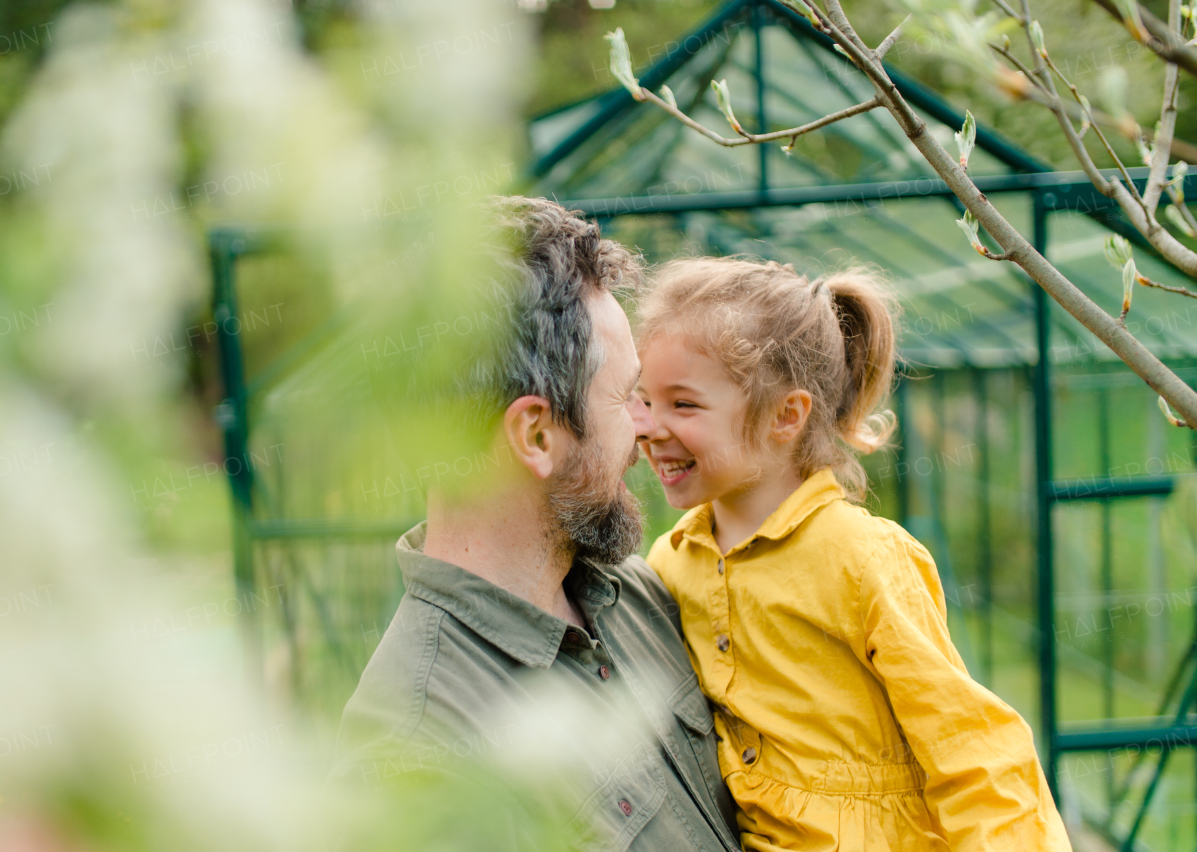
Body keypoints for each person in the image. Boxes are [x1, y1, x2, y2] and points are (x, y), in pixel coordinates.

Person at [328, 198, 742, 852]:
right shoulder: (416, 759)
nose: (645, 428)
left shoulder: (643, 595)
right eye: (624, 397)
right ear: (536, 433)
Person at [635, 257, 1072, 852]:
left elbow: (969, 746)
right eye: (644, 400)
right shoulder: (670, 561)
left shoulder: (862, 558)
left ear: (785, 416)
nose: (649, 427)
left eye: (682, 405)